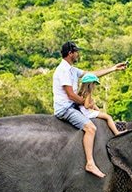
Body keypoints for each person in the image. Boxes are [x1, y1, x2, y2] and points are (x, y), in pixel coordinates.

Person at [53, 41, 126, 178]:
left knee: (98, 112)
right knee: (91, 128)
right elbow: (70, 95)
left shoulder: (72, 70)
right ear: (70, 53)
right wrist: (87, 104)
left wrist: (113, 69)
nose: (78, 55)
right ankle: (90, 163)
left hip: (73, 105)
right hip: (66, 108)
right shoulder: (62, 71)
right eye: (76, 52)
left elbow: (91, 74)